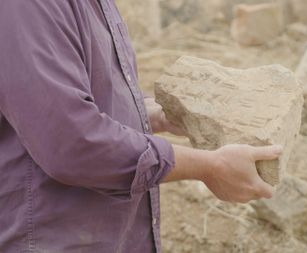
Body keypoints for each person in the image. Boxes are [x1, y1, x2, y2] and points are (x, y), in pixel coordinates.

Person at [0, 1, 281, 252]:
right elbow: (71, 143)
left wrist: (157, 114)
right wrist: (209, 166)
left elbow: (93, 94)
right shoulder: (27, 7)